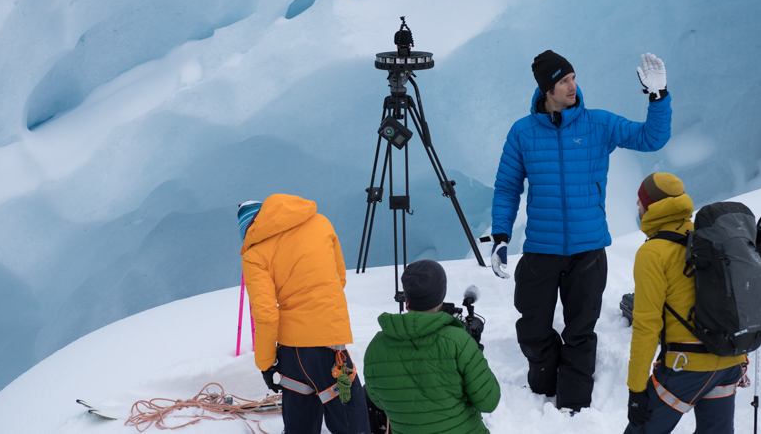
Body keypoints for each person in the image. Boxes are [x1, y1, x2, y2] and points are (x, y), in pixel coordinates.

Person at [490, 50, 672, 412]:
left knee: (580, 332)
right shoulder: (522, 132)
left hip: (587, 250)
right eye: (563, 81)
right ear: (547, 89)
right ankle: (541, 388)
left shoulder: (598, 124)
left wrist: (658, 96)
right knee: (533, 328)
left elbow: (650, 138)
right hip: (540, 248)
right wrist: (500, 235)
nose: (572, 86)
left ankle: (574, 402)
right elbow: (508, 186)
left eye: (573, 77)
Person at [238, 195, 370, 434]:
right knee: (350, 420)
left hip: (292, 352)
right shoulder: (320, 222)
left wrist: (266, 364)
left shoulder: (255, 256)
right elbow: (338, 277)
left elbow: (266, 315)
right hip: (330, 346)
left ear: (249, 230)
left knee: (300, 423)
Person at [625, 173, 746, 434]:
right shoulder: (711, 238)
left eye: (639, 201)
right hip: (729, 361)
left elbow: (647, 325)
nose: (637, 207)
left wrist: (636, 389)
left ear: (651, 206)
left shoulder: (653, 252)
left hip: (685, 367)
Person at [363, 260, 500, 434]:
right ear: (441, 294)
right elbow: (489, 401)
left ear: (406, 295)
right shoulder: (458, 341)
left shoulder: (376, 347)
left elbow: (378, 400)